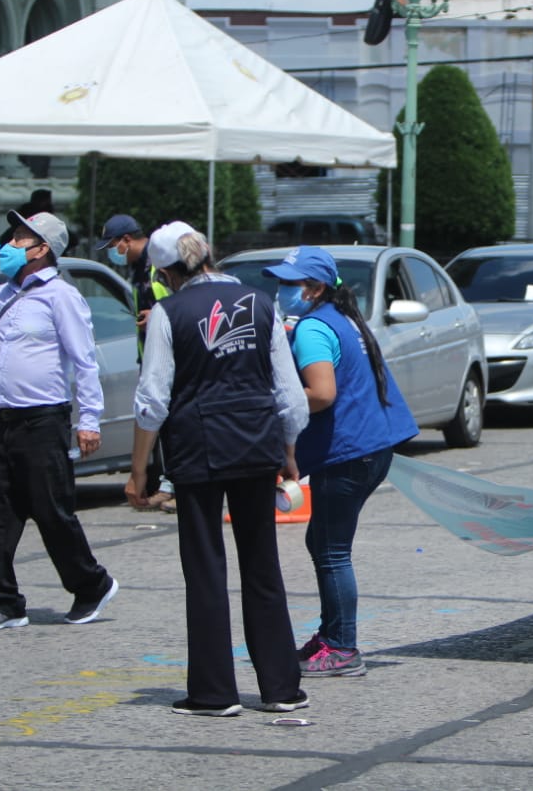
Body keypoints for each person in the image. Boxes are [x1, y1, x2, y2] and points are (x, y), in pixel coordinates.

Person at [125, 222, 310, 717]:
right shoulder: (261, 302)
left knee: (205, 569)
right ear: (209, 256)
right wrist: (288, 449)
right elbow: (289, 393)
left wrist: (139, 469)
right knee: (261, 564)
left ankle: (214, 692)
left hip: (197, 447)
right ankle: (281, 687)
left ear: (167, 271)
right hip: (256, 442)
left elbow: (153, 399)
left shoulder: (167, 312)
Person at [0, 210, 118, 632]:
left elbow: (84, 362)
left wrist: (89, 419)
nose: (11, 244)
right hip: (3, 418)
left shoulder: (61, 297)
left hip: (43, 419)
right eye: (14, 235)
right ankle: (4, 601)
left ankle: (91, 584)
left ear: (43, 250)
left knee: (51, 511)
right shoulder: (3, 294)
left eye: (21, 238)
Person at [264, 246, 419, 678]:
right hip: (370, 447)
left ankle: (342, 647)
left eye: (288, 283)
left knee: (332, 552)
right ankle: (331, 634)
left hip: (350, 453)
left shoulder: (313, 328)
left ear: (313, 289)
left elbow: (321, 393)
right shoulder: (342, 318)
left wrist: (273, 409)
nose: (280, 290)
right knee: (324, 545)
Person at [95, 213, 176, 512]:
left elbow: (184, 299)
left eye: (114, 246)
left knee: (173, 423)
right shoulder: (138, 270)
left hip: (172, 357)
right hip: (151, 356)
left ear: (127, 240)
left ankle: (177, 486)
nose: (114, 254)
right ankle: (166, 484)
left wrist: (160, 316)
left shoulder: (159, 265)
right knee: (160, 424)